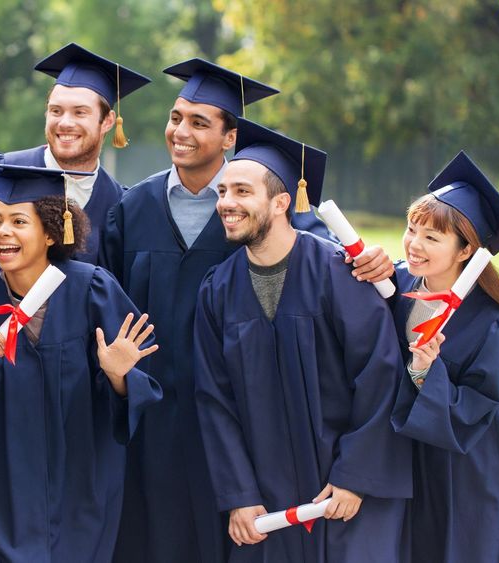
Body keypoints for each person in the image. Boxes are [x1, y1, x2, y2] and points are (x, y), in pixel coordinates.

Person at [101, 59, 392, 563]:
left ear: (230, 136)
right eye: (176, 117)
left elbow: (333, 282)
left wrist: (377, 261)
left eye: (199, 121)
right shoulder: (131, 208)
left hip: (255, 423)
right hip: (157, 419)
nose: (181, 131)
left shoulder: (288, 233)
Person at [193, 120, 411, 563]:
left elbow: (380, 374)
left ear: (280, 203)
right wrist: (239, 493)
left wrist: (356, 475)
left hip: (341, 491)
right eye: (222, 192)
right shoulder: (217, 289)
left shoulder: (337, 272)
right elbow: (215, 399)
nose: (226, 203)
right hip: (265, 500)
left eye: (241, 192)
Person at [0, 162, 163, 562]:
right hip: (2, 490)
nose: (3, 232)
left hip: (79, 487)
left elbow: (135, 388)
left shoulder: (93, 288)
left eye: (19, 221)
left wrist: (118, 375)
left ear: (51, 231)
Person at [389, 151, 499, 563]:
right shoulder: (396, 285)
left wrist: (423, 372)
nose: (414, 244)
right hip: (412, 458)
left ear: (466, 249)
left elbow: (472, 411)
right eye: (411, 229)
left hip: (473, 468)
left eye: (432, 238)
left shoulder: (491, 323)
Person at [0, 43, 150, 276]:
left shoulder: (120, 204)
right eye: (56, 111)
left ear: (108, 121)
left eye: (80, 112)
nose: (65, 123)